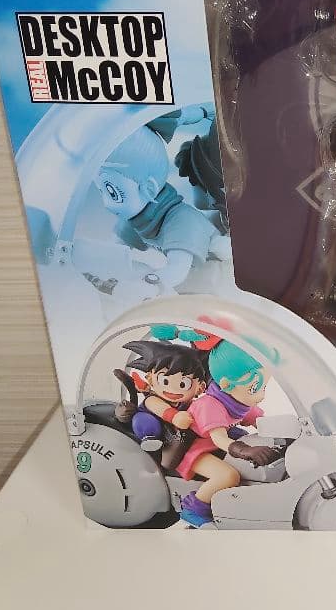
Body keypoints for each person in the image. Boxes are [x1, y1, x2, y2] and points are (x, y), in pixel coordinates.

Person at [88, 126, 216, 302]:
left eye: (112, 193)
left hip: (216, 285)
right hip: (187, 288)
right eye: (100, 190)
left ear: (148, 188)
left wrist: (148, 285)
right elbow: (116, 252)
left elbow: (177, 268)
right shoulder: (136, 217)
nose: (106, 203)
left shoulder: (184, 221)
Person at [177, 340, 280, 527]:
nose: (262, 395)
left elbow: (262, 422)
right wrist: (245, 450)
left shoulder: (239, 401)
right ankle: (193, 509)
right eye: (255, 388)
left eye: (264, 387)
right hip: (196, 450)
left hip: (221, 447)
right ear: (226, 384)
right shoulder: (209, 405)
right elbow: (219, 438)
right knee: (227, 476)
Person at [113, 340, 208, 470]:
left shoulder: (187, 403)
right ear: (150, 378)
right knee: (145, 421)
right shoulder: (153, 399)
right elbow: (162, 409)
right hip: (150, 423)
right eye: (165, 381)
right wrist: (174, 417)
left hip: (170, 433)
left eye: (183, 384)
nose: (173, 390)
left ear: (200, 388)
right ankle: (149, 439)